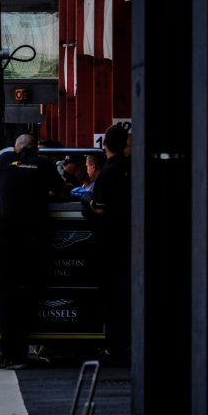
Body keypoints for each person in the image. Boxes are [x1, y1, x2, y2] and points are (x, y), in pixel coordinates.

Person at [0, 133, 68, 369]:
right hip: (31, 240)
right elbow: (62, 192)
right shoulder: (44, 164)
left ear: (17, 148)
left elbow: (5, 186)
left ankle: (7, 351)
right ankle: (19, 352)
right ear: (36, 149)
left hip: (5, 239)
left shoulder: (5, 161)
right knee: (25, 297)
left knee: (6, 297)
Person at [86, 124, 131, 365]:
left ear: (105, 145)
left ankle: (114, 347)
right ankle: (126, 344)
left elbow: (100, 209)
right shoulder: (131, 168)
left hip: (109, 243)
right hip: (129, 241)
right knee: (124, 296)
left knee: (111, 299)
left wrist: (89, 205)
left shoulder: (108, 173)